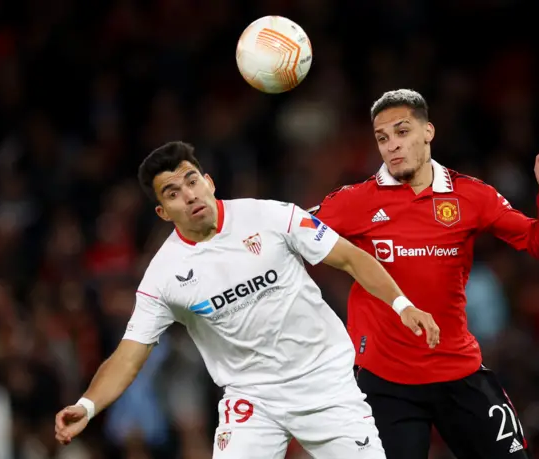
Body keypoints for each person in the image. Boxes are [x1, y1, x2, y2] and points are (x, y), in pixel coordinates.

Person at [53, 141, 441, 459]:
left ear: (209, 181)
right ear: (162, 212)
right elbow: (129, 354)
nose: (188, 196)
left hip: (324, 382)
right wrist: (86, 406)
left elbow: (351, 258)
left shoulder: (272, 217)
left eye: (191, 181)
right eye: (173, 194)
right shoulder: (164, 276)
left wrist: (403, 305)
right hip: (252, 401)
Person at [308, 89, 539, 459]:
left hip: (458, 371)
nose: (391, 146)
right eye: (382, 138)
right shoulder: (353, 201)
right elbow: (290, 232)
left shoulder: (471, 196)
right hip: (385, 383)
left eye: (402, 132)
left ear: (428, 131)